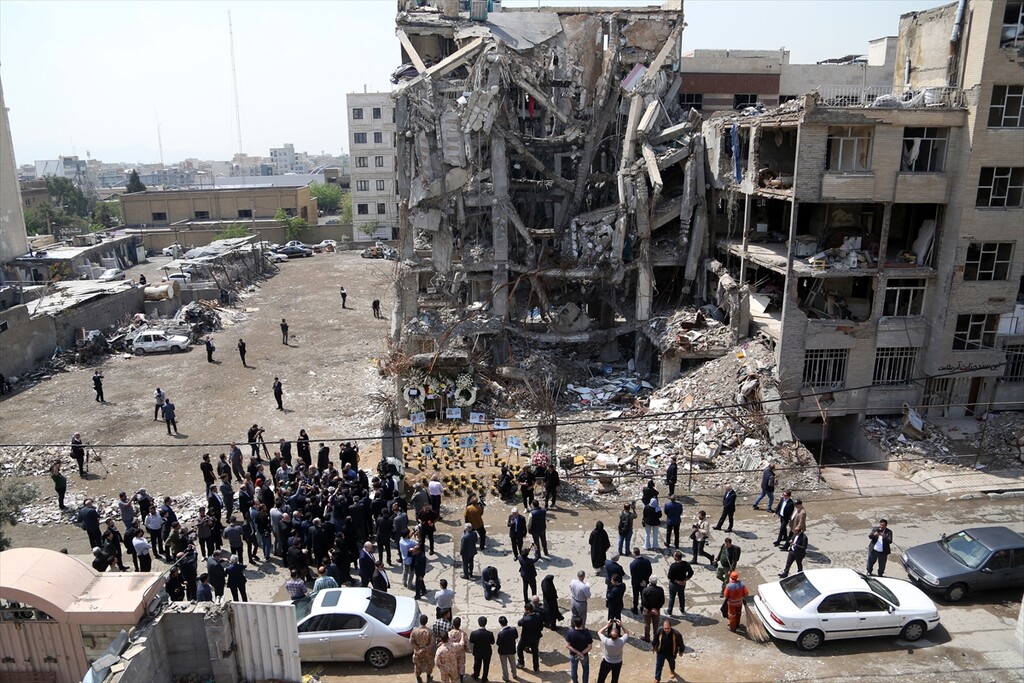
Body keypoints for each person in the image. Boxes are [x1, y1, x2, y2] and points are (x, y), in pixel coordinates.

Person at [652, 618, 684, 683]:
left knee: (672, 663)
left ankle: (672, 670)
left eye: (668, 628)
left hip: (671, 653)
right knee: (659, 665)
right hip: (661, 652)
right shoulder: (659, 630)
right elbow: (655, 639)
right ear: (663, 627)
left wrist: (681, 651)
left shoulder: (676, 634)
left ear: (670, 627)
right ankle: (657, 679)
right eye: (665, 628)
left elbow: (681, 643)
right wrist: (654, 646)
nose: (666, 630)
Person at [516, 603, 543, 673]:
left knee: (519, 648)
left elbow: (519, 623)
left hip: (526, 638)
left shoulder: (525, 619)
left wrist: (524, 615)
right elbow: (541, 626)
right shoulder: (538, 616)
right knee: (535, 652)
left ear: (527, 610)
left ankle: (521, 662)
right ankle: (536, 667)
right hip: (535, 637)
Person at [565, 616, 593, 683]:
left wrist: (577, 652)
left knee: (573, 669)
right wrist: (581, 653)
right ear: (582, 623)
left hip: (573, 655)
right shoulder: (587, 633)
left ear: (574, 623)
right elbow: (590, 647)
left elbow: (567, 645)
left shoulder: (570, 632)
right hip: (584, 655)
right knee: (586, 670)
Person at [666, 551, 694, 616]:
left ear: (676, 557)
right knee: (681, 596)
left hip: (674, 584)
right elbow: (691, 573)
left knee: (672, 597)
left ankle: (669, 611)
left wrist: (677, 581)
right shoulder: (686, 564)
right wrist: (685, 580)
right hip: (682, 584)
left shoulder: (673, 566)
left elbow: (670, 576)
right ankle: (682, 609)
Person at [410, 614, 435, 683]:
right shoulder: (429, 631)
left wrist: (418, 649)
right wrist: (424, 649)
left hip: (417, 652)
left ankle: (418, 679)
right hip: (427, 652)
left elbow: (411, 642)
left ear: (420, 621)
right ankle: (428, 677)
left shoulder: (414, 631)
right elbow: (432, 643)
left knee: (417, 665)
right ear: (426, 621)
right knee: (429, 664)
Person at [469, 616, 494, 683]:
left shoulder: (474, 633)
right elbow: (492, 642)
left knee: (477, 664)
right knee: (486, 665)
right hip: (487, 652)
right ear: (486, 623)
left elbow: (471, 641)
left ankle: (476, 675)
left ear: (478, 623)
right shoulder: (490, 634)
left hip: (477, 652)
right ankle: (484, 678)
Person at [641, 576, 665, 642]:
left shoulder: (645, 590)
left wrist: (650, 609)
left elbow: (644, 602)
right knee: (656, 625)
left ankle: (647, 637)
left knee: (647, 624)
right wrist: (656, 608)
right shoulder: (660, 590)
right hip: (657, 610)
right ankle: (656, 638)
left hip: (647, 610)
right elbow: (662, 601)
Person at [628, 548, 652, 614]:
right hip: (644, 582)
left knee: (635, 595)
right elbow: (650, 571)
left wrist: (639, 581)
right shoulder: (647, 561)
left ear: (634, 554)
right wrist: (644, 580)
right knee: (643, 595)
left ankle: (635, 608)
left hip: (636, 583)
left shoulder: (633, 564)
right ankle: (643, 607)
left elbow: (633, 575)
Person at [496, 615, 518, 683]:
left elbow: (498, 643)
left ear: (500, 623)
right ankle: (514, 674)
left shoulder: (500, 633)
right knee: (513, 663)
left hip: (503, 652)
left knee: (504, 665)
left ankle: (506, 677)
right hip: (511, 650)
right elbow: (516, 636)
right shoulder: (513, 629)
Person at [448, 616, 468, 682]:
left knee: (453, 665)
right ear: (460, 625)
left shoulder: (449, 634)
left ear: (453, 625)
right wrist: (467, 649)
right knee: (461, 665)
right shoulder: (463, 633)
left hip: (452, 652)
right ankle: (461, 679)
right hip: (461, 652)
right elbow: (466, 644)